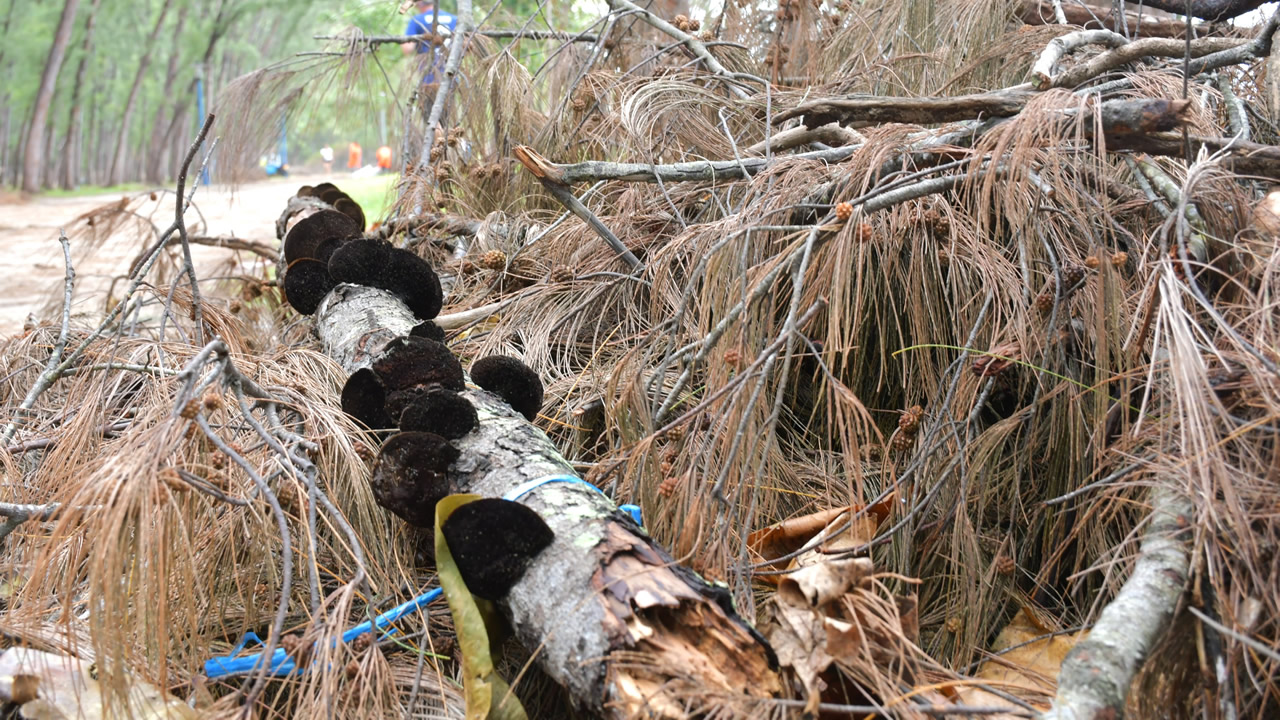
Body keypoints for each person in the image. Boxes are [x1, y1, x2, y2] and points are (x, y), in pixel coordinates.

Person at [401, 1, 458, 85]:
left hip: (428, 74)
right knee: (449, 96)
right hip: (451, 71)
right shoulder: (454, 19)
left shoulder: (417, 20)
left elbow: (407, 49)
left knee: (427, 96)